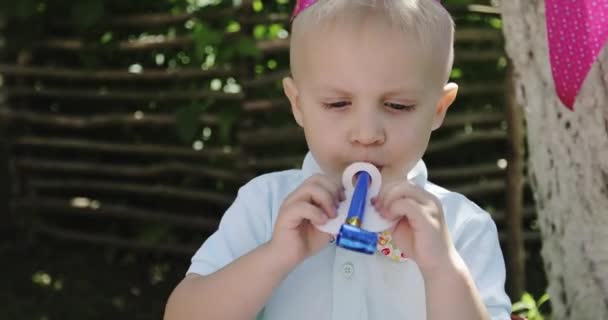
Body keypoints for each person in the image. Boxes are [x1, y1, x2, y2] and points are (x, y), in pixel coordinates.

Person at [164, 0, 512, 319]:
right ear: (297, 104)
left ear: (439, 109)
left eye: (398, 106)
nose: (366, 133)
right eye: (337, 104)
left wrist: (442, 268)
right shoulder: (266, 205)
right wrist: (275, 256)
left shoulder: (462, 228)